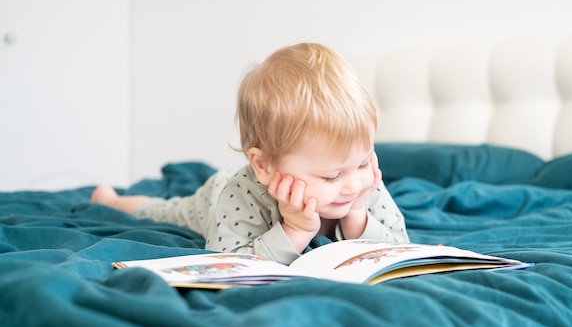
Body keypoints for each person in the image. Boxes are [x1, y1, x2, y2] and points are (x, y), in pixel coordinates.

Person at [91, 42, 408, 265]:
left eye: (364, 161)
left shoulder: (363, 185)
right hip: (212, 197)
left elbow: (402, 247)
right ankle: (114, 200)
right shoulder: (240, 194)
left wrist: (357, 218)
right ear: (265, 166)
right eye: (332, 176)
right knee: (166, 211)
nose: (353, 184)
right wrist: (295, 231)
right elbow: (229, 263)